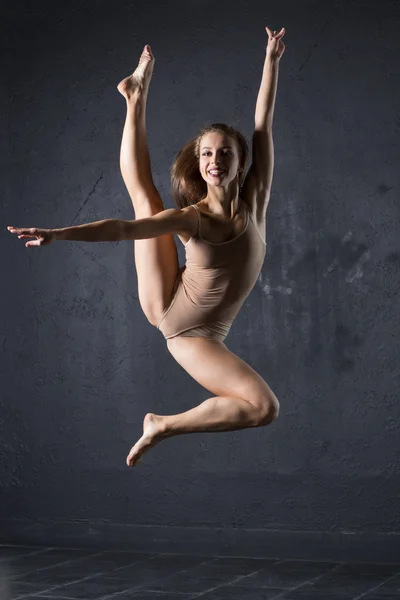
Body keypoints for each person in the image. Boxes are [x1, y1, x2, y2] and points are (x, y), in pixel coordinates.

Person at [8, 26, 286, 467]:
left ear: (240, 161)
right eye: (207, 154)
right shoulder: (193, 217)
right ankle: (135, 98)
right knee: (145, 205)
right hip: (182, 327)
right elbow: (121, 230)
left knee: (262, 410)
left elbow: (262, 125)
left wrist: (271, 62)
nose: (215, 161)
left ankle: (135, 92)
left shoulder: (256, 199)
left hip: (207, 325)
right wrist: (60, 234)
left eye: (225, 153)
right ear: (200, 163)